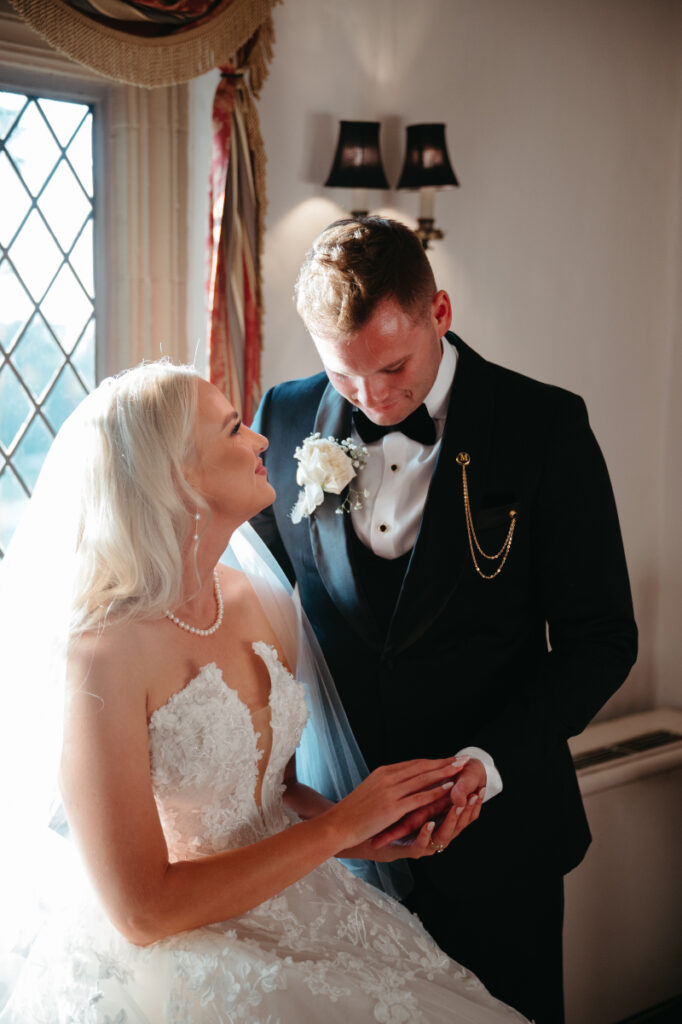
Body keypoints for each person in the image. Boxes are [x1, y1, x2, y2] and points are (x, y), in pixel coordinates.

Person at [0, 360, 529, 1023]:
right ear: (178, 477)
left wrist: (365, 834)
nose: (260, 442)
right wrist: (340, 824)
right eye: (232, 431)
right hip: (183, 947)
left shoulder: (258, 599)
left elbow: (272, 797)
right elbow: (142, 912)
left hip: (300, 900)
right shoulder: (99, 656)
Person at [250, 216, 638, 1024]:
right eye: (346, 378)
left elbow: (602, 638)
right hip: (341, 846)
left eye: (393, 367)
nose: (376, 399)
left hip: (501, 842)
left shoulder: (546, 428)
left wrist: (487, 762)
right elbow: (260, 603)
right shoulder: (285, 418)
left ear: (442, 313)